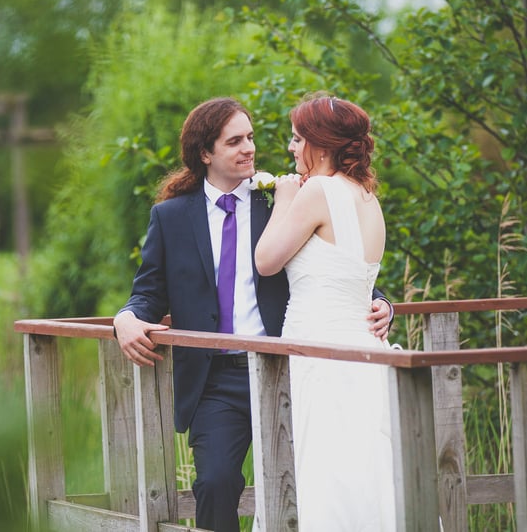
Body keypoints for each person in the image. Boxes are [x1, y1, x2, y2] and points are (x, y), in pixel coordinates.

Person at [113, 97, 393, 532]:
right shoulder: (171, 217)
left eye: (250, 137)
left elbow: (338, 265)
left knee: (314, 479)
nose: (250, 148)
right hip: (215, 378)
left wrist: (382, 302)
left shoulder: (281, 199)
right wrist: (125, 318)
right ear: (205, 153)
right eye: (234, 141)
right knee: (215, 482)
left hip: (286, 369)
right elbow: (148, 292)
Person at [255, 94, 397, 530]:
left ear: (322, 144)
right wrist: (386, 304)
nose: (291, 148)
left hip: (318, 354)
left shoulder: (318, 191)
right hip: (364, 354)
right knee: (364, 472)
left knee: (320, 472)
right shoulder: (368, 197)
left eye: (298, 139)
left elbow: (266, 260)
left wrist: (283, 197)